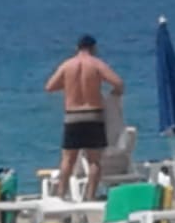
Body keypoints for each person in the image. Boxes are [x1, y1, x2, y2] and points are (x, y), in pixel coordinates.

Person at [44, 34, 124, 201]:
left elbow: (50, 87)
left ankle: (61, 195)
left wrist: (69, 85)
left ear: (77, 48)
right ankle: (90, 196)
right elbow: (118, 83)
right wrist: (113, 94)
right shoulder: (96, 64)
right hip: (93, 114)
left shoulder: (67, 65)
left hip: (72, 115)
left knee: (68, 159)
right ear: (93, 48)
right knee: (94, 160)